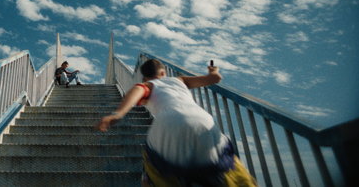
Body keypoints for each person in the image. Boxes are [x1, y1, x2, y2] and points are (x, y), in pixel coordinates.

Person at [95, 59, 257, 187]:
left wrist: (117, 114)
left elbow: (137, 91)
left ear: (144, 78)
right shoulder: (180, 80)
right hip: (201, 120)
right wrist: (214, 71)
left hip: (168, 125)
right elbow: (214, 79)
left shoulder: (147, 85)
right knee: (227, 167)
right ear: (164, 73)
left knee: (153, 173)